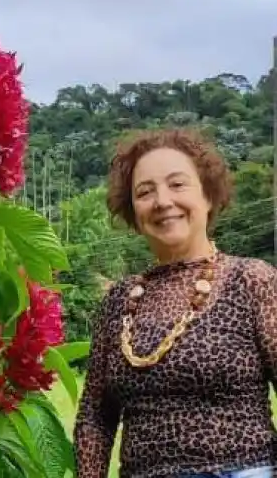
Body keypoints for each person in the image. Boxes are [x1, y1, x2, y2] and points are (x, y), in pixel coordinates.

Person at [74, 128, 277, 478]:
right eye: (145, 192)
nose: (162, 201)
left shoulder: (252, 280)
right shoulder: (118, 301)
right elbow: (95, 415)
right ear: (134, 211)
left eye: (177, 184)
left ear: (208, 196)